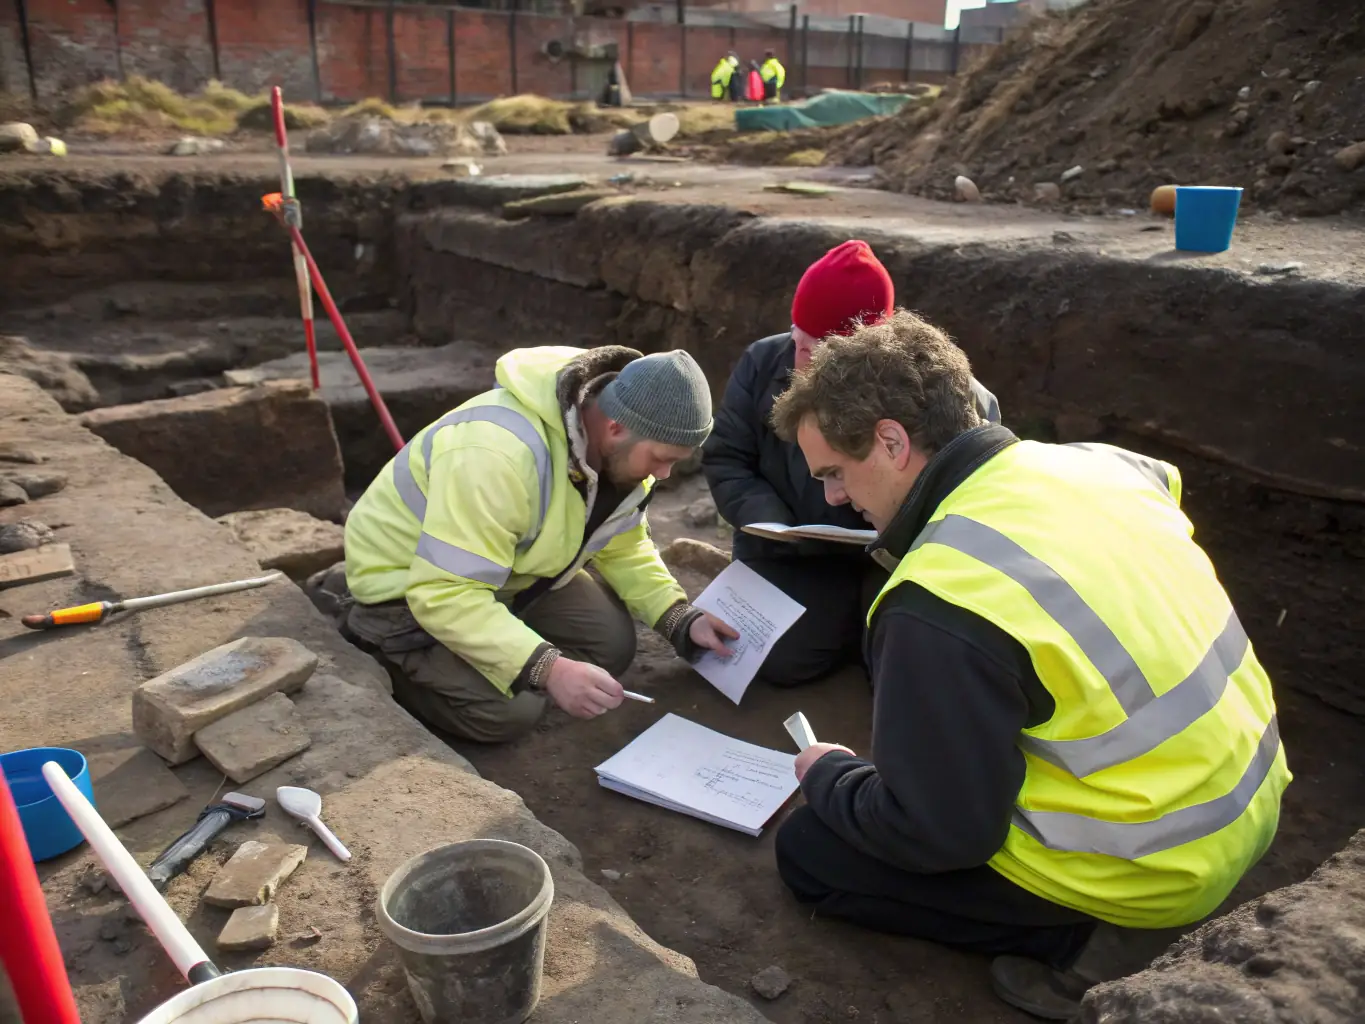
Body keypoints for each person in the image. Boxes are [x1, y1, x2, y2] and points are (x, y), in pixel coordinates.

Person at [767, 309, 1291, 1019]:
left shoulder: (943, 594)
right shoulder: (1102, 466)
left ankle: (1087, 944)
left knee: (810, 850)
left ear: (890, 442)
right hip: (1252, 802)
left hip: (1154, 870)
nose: (832, 497)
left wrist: (829, 773)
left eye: (834, 472)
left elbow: (935, 835)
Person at [341, 345, 739, 744]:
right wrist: (548, 668)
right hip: (405, 591)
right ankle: (381, 653)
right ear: (616, 427)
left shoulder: (620, 448)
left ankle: (492, 647)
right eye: (660, 458)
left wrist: (679, 617)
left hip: (506, 573)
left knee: (611, 645)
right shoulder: (497, 455)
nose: (665, 474)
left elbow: (623, 545)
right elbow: (444, 591)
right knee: (510, 713)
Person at [702, 240, 1000, 688]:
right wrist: (770, 522)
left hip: (889, 558)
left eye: (815, 350)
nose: (798, 359)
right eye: (796, 338)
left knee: (902, 669)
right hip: (789, 553)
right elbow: (727, 455)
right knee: (772, 658)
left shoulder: (948, 393)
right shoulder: (766, 362)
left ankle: (860, 629)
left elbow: (970, 498)